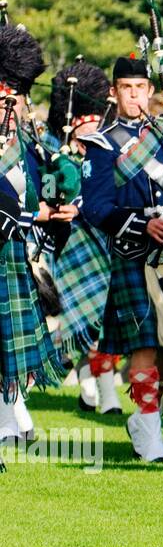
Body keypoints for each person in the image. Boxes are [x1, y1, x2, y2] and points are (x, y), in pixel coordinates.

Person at [80, 52, 163, 462]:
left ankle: (144, 416)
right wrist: (141, 224)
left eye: (141, 88)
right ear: (114, 93)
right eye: (126, 88)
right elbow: (95, 206)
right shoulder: (102, 146)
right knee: (144, 342)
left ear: (150, 91)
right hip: (132, 251)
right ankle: (150, 430)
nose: (134, 95)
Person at [0, 23, 65, 460]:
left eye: (10, 100)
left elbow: (28, 193)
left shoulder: (20, 143)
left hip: (8, 253)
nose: (8, 108)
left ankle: (7, 424)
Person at [43, 60, 119, 413]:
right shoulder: (54, 156)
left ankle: (97, 389)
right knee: (86, 323)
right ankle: (102, 394)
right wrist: (60, 203)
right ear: (72, 127)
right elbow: (48, 193)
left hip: (104, 243)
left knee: (105, 321)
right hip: (71, 245)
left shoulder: (109, 155)